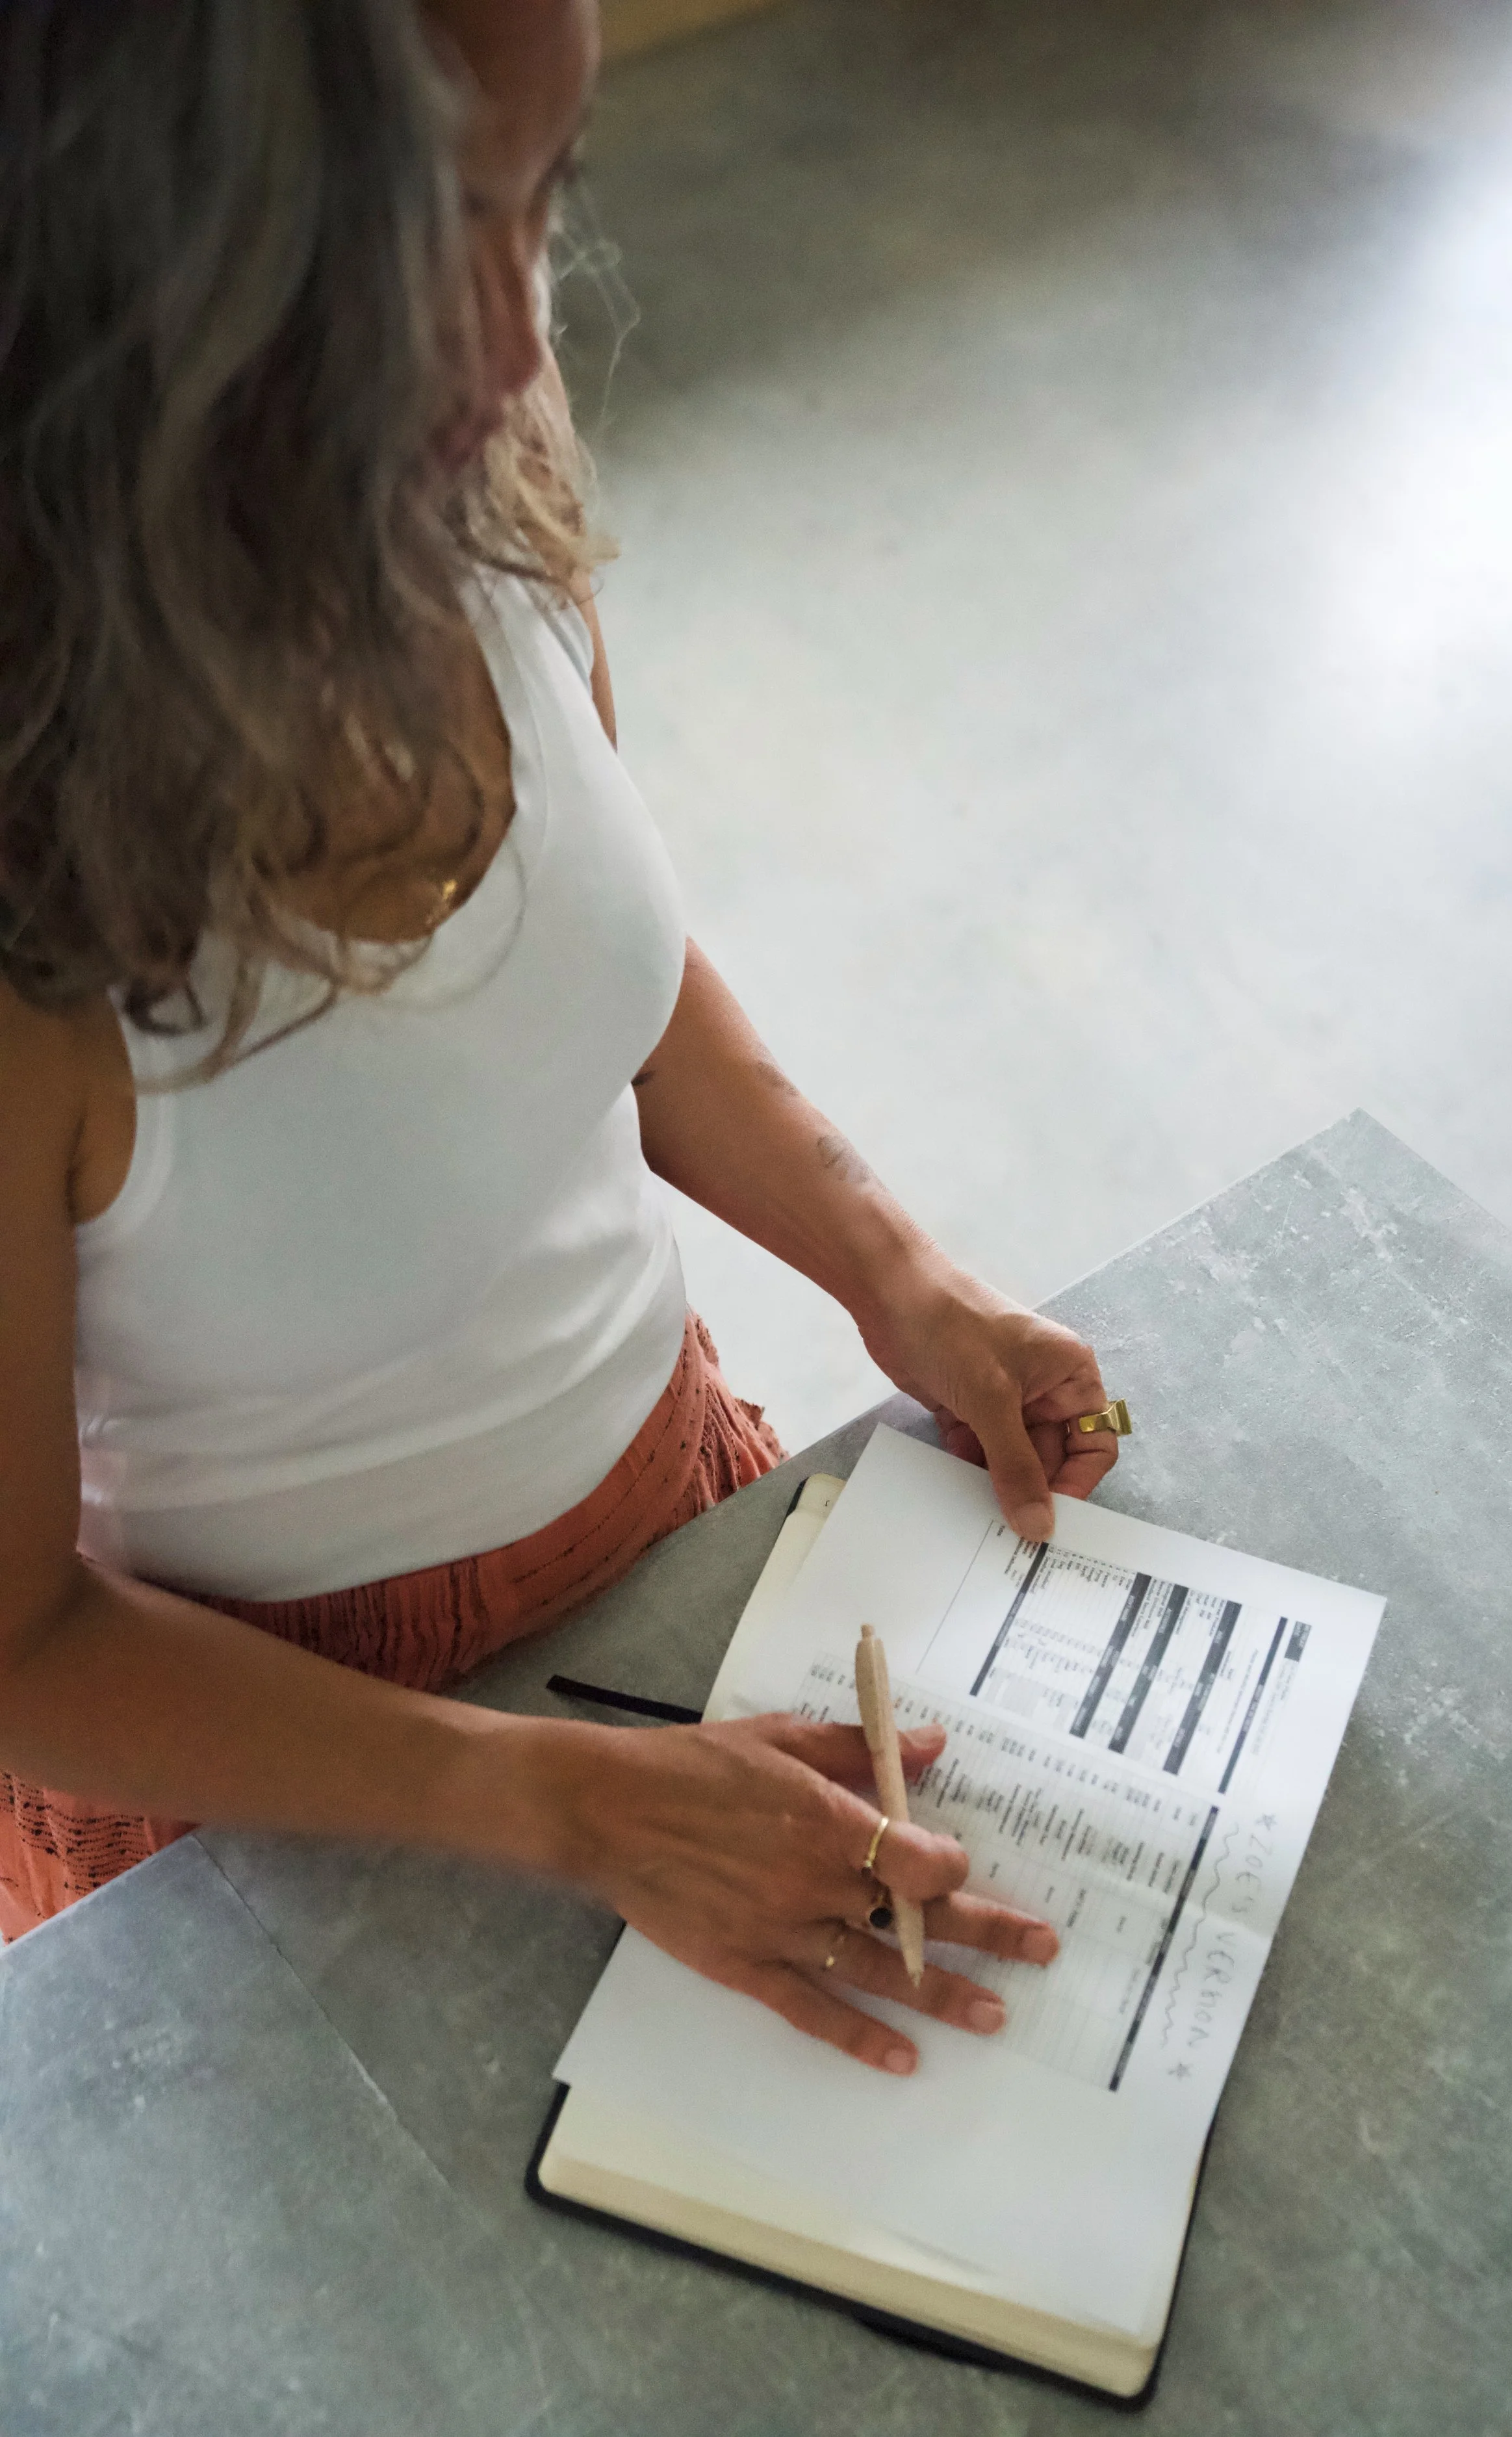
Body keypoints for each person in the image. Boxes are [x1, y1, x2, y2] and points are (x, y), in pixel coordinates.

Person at [0, 0, 1118, 2074]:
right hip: (273, 1757)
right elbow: (19, 1650)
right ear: (121, 300)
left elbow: (581, 975)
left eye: (545, 204)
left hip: (667, 1507)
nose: (523, 351)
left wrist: (895, 1266)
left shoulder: (473, 477)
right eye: (412, 259)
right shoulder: (30, 906)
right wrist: (561, 1801)